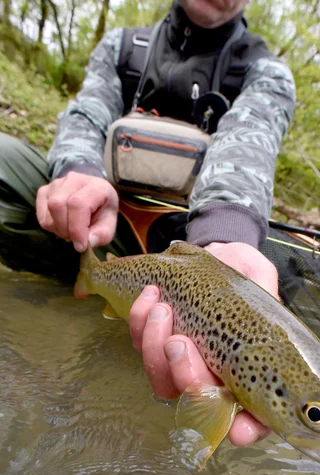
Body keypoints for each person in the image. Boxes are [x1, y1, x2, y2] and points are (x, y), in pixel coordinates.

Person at [0, 0, 295, 447]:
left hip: (200, 248)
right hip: (103, 221)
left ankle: (104, 283)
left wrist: (223, 233)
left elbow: (247, 145)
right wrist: (78, 170)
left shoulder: (266, 72)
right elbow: (85, 114)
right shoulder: (122, 48)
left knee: (284, 275)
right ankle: (85, 265)